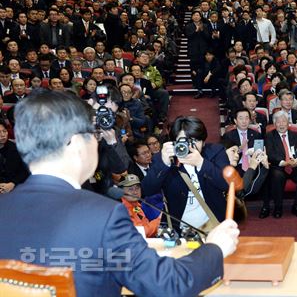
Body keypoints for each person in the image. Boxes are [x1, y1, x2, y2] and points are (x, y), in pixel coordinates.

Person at [0, 91, 239, 296]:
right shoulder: (103, 217)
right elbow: (168, 284)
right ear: (76, 143)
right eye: (93, 136)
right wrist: (215, 248)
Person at [143, 116, 231, 224]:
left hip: (213, 222)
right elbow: (147, 190)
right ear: (174, 142)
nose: (190, 146)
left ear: (203, 142)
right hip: (179, 224)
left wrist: (201, 163)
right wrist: (164, 163)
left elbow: (227, 184)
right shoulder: (163, 158)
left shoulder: (216, 152)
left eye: (195, 140)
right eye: (184, 141)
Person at [264, 110, 297, 218]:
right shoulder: (269, 136)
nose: (281, 124)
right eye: (278, 122)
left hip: (295, 165)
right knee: (277, 176)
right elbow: (270, 153)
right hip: (279, 166)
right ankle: (278, 207)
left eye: (284, 122)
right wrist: (283, 162)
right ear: (274, 124)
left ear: (288, 123)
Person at [118, 174, 161, 238]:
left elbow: (145, 225)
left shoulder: (136, 205)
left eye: (137, 188)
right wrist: (159, 221)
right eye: (130, 189)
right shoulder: (122, 209)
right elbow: (140, 233)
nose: (135, 192)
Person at [0, 122, 29, 193]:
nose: (3, 135)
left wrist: (13, 183)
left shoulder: (16, 148)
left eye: (4, 131)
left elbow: (25, 170)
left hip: (16, 188)